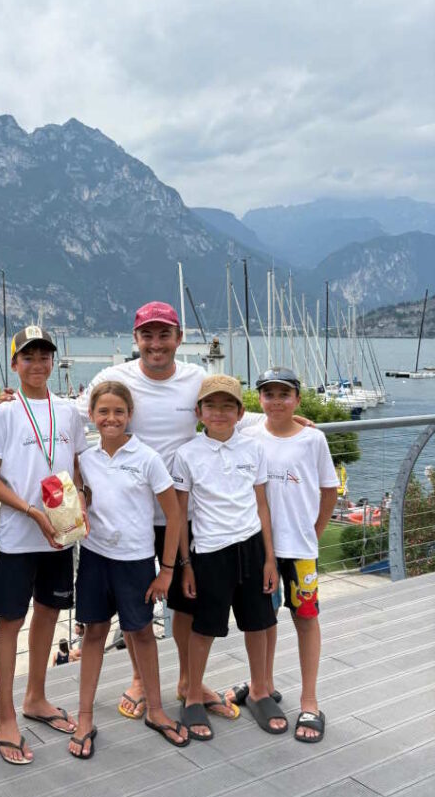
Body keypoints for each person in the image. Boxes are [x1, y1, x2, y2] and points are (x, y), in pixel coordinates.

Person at [75, 303, 244, 722]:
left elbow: (228, 415)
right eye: (147, 335)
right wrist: (13, 404)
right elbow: (70, 416)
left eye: (164, 334)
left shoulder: (194, 379)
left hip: (181, 512)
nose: (155, 344)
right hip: (124, 517)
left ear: (178, 339)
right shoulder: (113, 380)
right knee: (135, 604)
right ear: (136, 339)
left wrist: (287, 421)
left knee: (187, 600)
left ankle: (189, 681)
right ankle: (137, 678)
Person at [0, 325, 89, 765]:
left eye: (45, 355)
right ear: (15, 364)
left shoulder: (68, 412)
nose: (39, 364)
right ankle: (5, 715)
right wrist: (31, 511)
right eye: (29, 356)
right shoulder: (4, 414)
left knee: (47, 614)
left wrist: (83, 508)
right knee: (10, 623)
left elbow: (77, 469)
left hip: (61, 535)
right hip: (18, 536)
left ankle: (36, 697)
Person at [70, 381, 187, 759]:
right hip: (94, 559)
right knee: (93, 635)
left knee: (142, 634)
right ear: (91, 415)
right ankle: (85, 716)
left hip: (136, 562)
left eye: (119, 411)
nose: (111, 418)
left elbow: (173, 515)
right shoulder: (85, 460)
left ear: (130, 415)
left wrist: (166, 570)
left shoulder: (147, 458)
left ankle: (155, 709)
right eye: (102, 411)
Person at [225, 367, 339, 743]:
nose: (276, 401)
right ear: (259, 399)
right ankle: (263, 684)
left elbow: (328, 491)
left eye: (284, 394)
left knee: (306, 619)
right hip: (260, 548)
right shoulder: (248, 434)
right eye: (268, 394)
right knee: (262, 620)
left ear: (297, 398)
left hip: (300, 550)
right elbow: (228, 423)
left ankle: (310, 699)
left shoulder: (313, 440)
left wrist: (315, 533)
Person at [172, 374, 287, 742]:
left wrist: (270, 559)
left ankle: (259, 691)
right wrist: (185, 565)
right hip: (208, 553)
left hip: (251, 547)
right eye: (211, 405)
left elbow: (262, 505)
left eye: (227, 406)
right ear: (198, 411)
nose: (218, 413)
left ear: (240, 412)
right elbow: (181, 516)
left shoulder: (253, 449)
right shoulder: (187, 454)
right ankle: (192, 695)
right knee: (203, 628)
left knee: (258, 623)